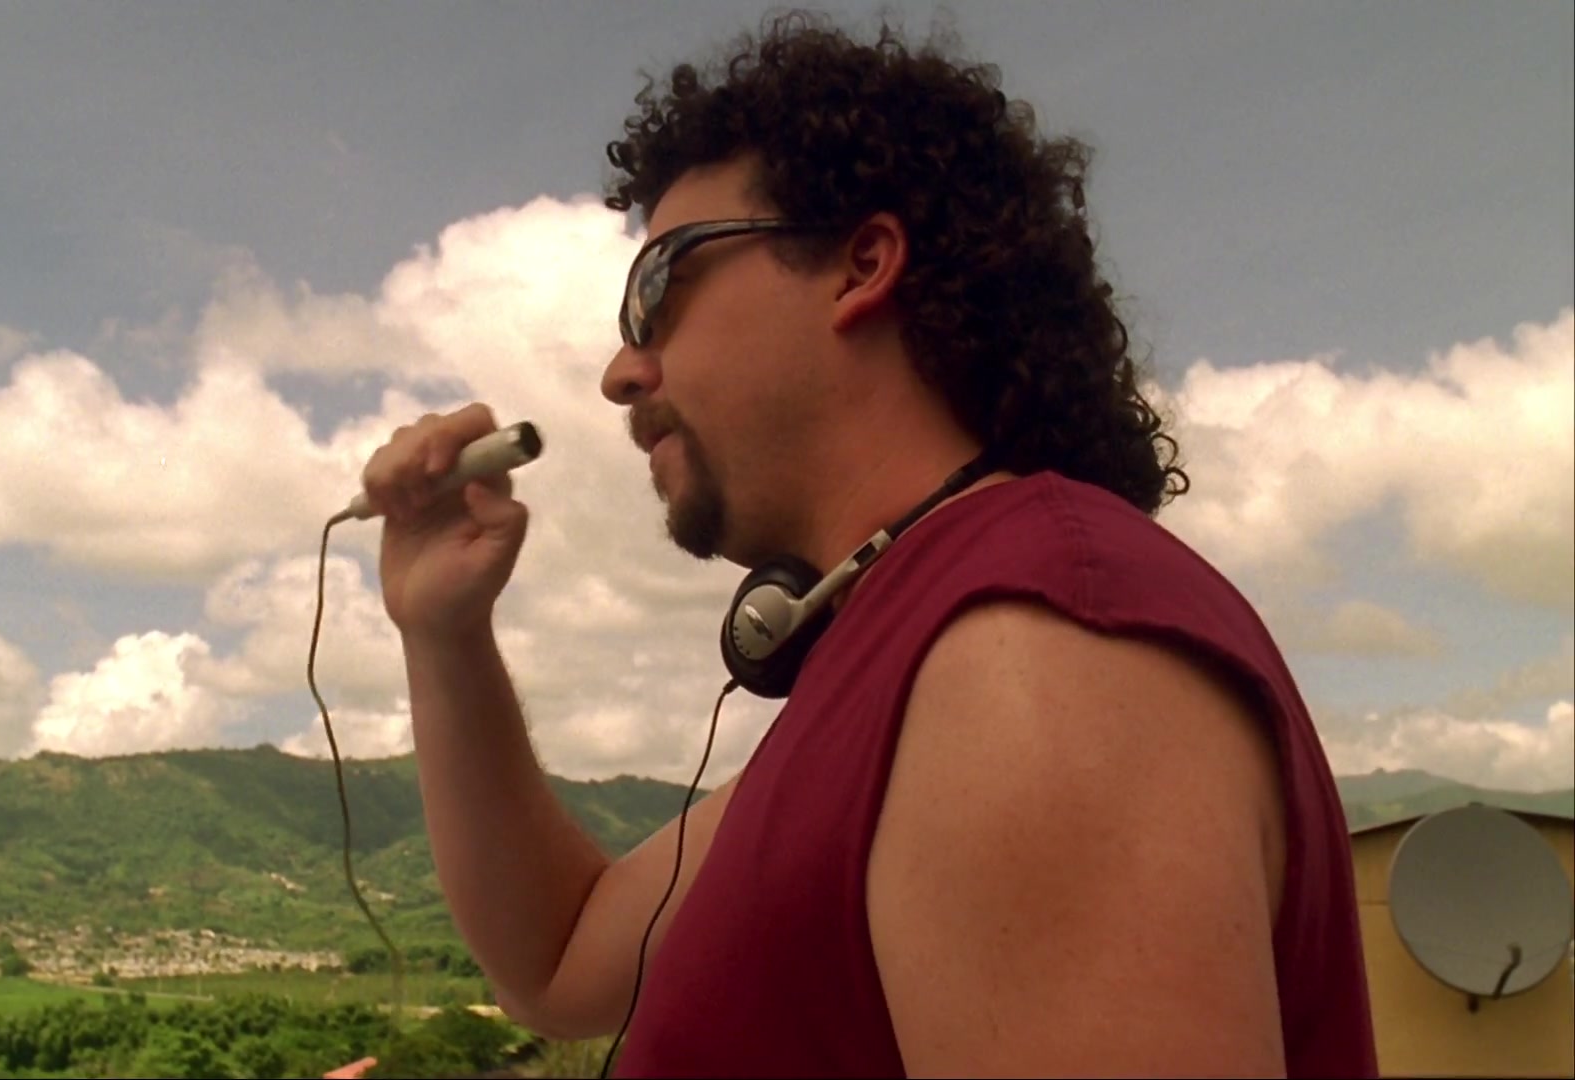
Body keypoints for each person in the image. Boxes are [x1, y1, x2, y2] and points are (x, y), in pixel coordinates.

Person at [357, 11, 1377, 1078]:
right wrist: (445, 634)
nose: (621, 371)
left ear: (861, 265)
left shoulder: (1034, 655)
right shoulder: (917, 657)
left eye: (656, 288)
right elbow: (560, 960)